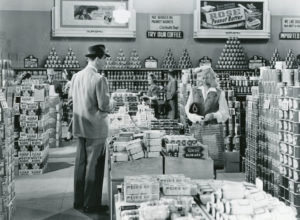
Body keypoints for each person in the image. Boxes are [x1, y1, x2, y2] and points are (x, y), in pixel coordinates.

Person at [69, 44, 114, 213]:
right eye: (104, 59)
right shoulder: (99, 79)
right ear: (97, 58)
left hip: (81, 127)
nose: (105, 63)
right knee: (94, 166)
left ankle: (78, 201)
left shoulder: (76, 76)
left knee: (80, 164)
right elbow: (104, 106)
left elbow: (73, 100)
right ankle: (91, 203)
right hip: (96, 129)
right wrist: (113, 102)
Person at [63, 69, 74, 141]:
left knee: (71, 119)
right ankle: (70, 135)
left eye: (63, 74)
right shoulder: (72, 82)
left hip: (71, 103)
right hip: (74, 102)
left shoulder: (68, 83)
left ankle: (69, 136)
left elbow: (64, 92)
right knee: (72, 119)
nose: (62, 75)